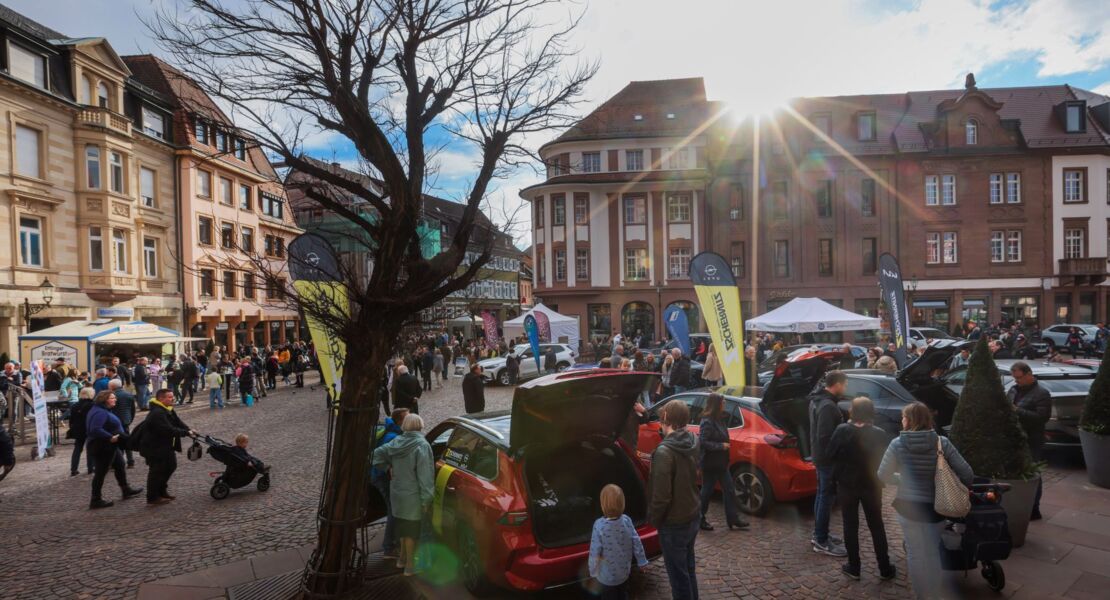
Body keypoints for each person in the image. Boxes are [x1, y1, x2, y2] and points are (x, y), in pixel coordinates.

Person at [879, 402, 974, 599]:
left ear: (910, 420)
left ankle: (921, 595)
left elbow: (883, 475)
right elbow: (967, 474)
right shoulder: (942, 443)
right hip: (937, 507)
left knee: (915, 554)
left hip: (908, 507)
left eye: (904, 417)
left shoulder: (897, 443)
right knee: (932, 552)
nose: (902, 420)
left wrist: (902, 479)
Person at [827, 397, 895, 581]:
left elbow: (829, 454)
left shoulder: (842, 431)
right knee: (877, 526)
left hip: (847, 485)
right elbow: (886, 459)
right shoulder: (879, 433)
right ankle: (885, 567)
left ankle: (854, 567)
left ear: (853, 411)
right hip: (872, 485)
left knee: (850, 526)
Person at [648, 400, 701, 600]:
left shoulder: (664, 452)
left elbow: (661, 497)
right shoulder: (693, 439)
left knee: (678, 579)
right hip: (692, 514)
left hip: (674, 523)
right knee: (688, 569)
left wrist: (654, 519)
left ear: (666, 419)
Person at [371, 413, 434, 577]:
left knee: (403, 529)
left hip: (397, 492)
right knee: (412, 531)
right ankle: (410, 567)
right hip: (412, 494)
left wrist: (387, 468)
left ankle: (402, 560)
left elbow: (375, 456)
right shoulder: (422, 445)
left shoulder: (395, 442)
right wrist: (427, 499)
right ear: (420, 425)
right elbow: (425, 476)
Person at [809, 371, 848, 557]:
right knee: (826, 498)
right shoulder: (827, 406)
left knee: (821, 495)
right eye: (845, 384)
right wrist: (837, 455)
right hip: (826, 460)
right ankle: (821, 541)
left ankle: (819, 533)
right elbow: (825, 437)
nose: (846, 388)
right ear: (838, 384)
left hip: (820, 457)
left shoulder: (818, 400)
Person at [1007, 361, 1052, 520]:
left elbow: (1041, 418)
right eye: (1014, 378)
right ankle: (1018, 504)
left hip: (1032, 439)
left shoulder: (1041, 393)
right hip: (1014, 438)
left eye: (1018, 377)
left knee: (1032, 472)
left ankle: (1034, 508)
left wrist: (1018, 411)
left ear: (1028, 375)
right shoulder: (1013, 390)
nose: (1016, 381)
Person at [697, 393, 748, 532]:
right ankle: (700, 518)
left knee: (730, 489)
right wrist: (721, 446)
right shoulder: (707, 421)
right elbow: (703, 441)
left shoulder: (719, 418)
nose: (724, 403)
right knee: (706, 492)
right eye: (723, 402)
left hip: (721, 463)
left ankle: (733, 519)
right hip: (710, 463)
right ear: (716, 404)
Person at [589, 484, 649, 599]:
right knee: (623, 594)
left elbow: (594, 550)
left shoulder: (599, 525)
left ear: (603, 505)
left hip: (606, 578)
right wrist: (642, 561)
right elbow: (636, 542)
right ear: (623, 503)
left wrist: (593, 571)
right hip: (623, 573)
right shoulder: (627, 521)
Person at [85, 391, 143, 509]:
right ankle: (95, 499)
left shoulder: (101, 410)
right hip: (103, 446)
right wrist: (109, 437)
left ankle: (126, 489)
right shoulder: (100, 412)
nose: (115, 399)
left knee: (120, 464)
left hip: (109, 445)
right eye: (112, 398)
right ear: (105, 400)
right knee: (101, 473)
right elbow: (95, 429)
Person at [139, 388, 194, 505]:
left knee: (171, 466)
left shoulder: (167, 409)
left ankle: (162, 491)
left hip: (165, 445)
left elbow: (177, 421)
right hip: (154, 447)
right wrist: (185, 433)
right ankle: (153, 497)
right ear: (161, 399)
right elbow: (167, 430)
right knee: (157, 471)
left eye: (172, 396)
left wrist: (189, 430)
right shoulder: (157, 413)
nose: (172, 399)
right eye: (169, 397)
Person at [371, 408, 408, 558]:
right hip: (382, 477)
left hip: (379, 476)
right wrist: (388, 468)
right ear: (400, 420)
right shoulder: (393, 437)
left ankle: (393, 544)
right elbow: (377, 457)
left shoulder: (392, 431)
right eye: (407, 416)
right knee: (394, 510)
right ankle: (389, 547)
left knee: (393, 509)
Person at [108, 380, 138, 468]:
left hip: (115, 421)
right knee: (127, 440)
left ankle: (118, 462)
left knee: (116, 442)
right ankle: (130, 461)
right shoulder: (128, 395)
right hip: (126, 421)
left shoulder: (112, 396)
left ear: (113, 386)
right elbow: (133, 409)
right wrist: (130, 419)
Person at [67, 389, 95, 476]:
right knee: (90, 448)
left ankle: (73, 469)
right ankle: (91, 468)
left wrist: (72, 427)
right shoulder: (92, 405)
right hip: (89, 428)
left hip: (78, 429)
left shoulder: (75, 405)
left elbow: (71, 419)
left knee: (77, 449)